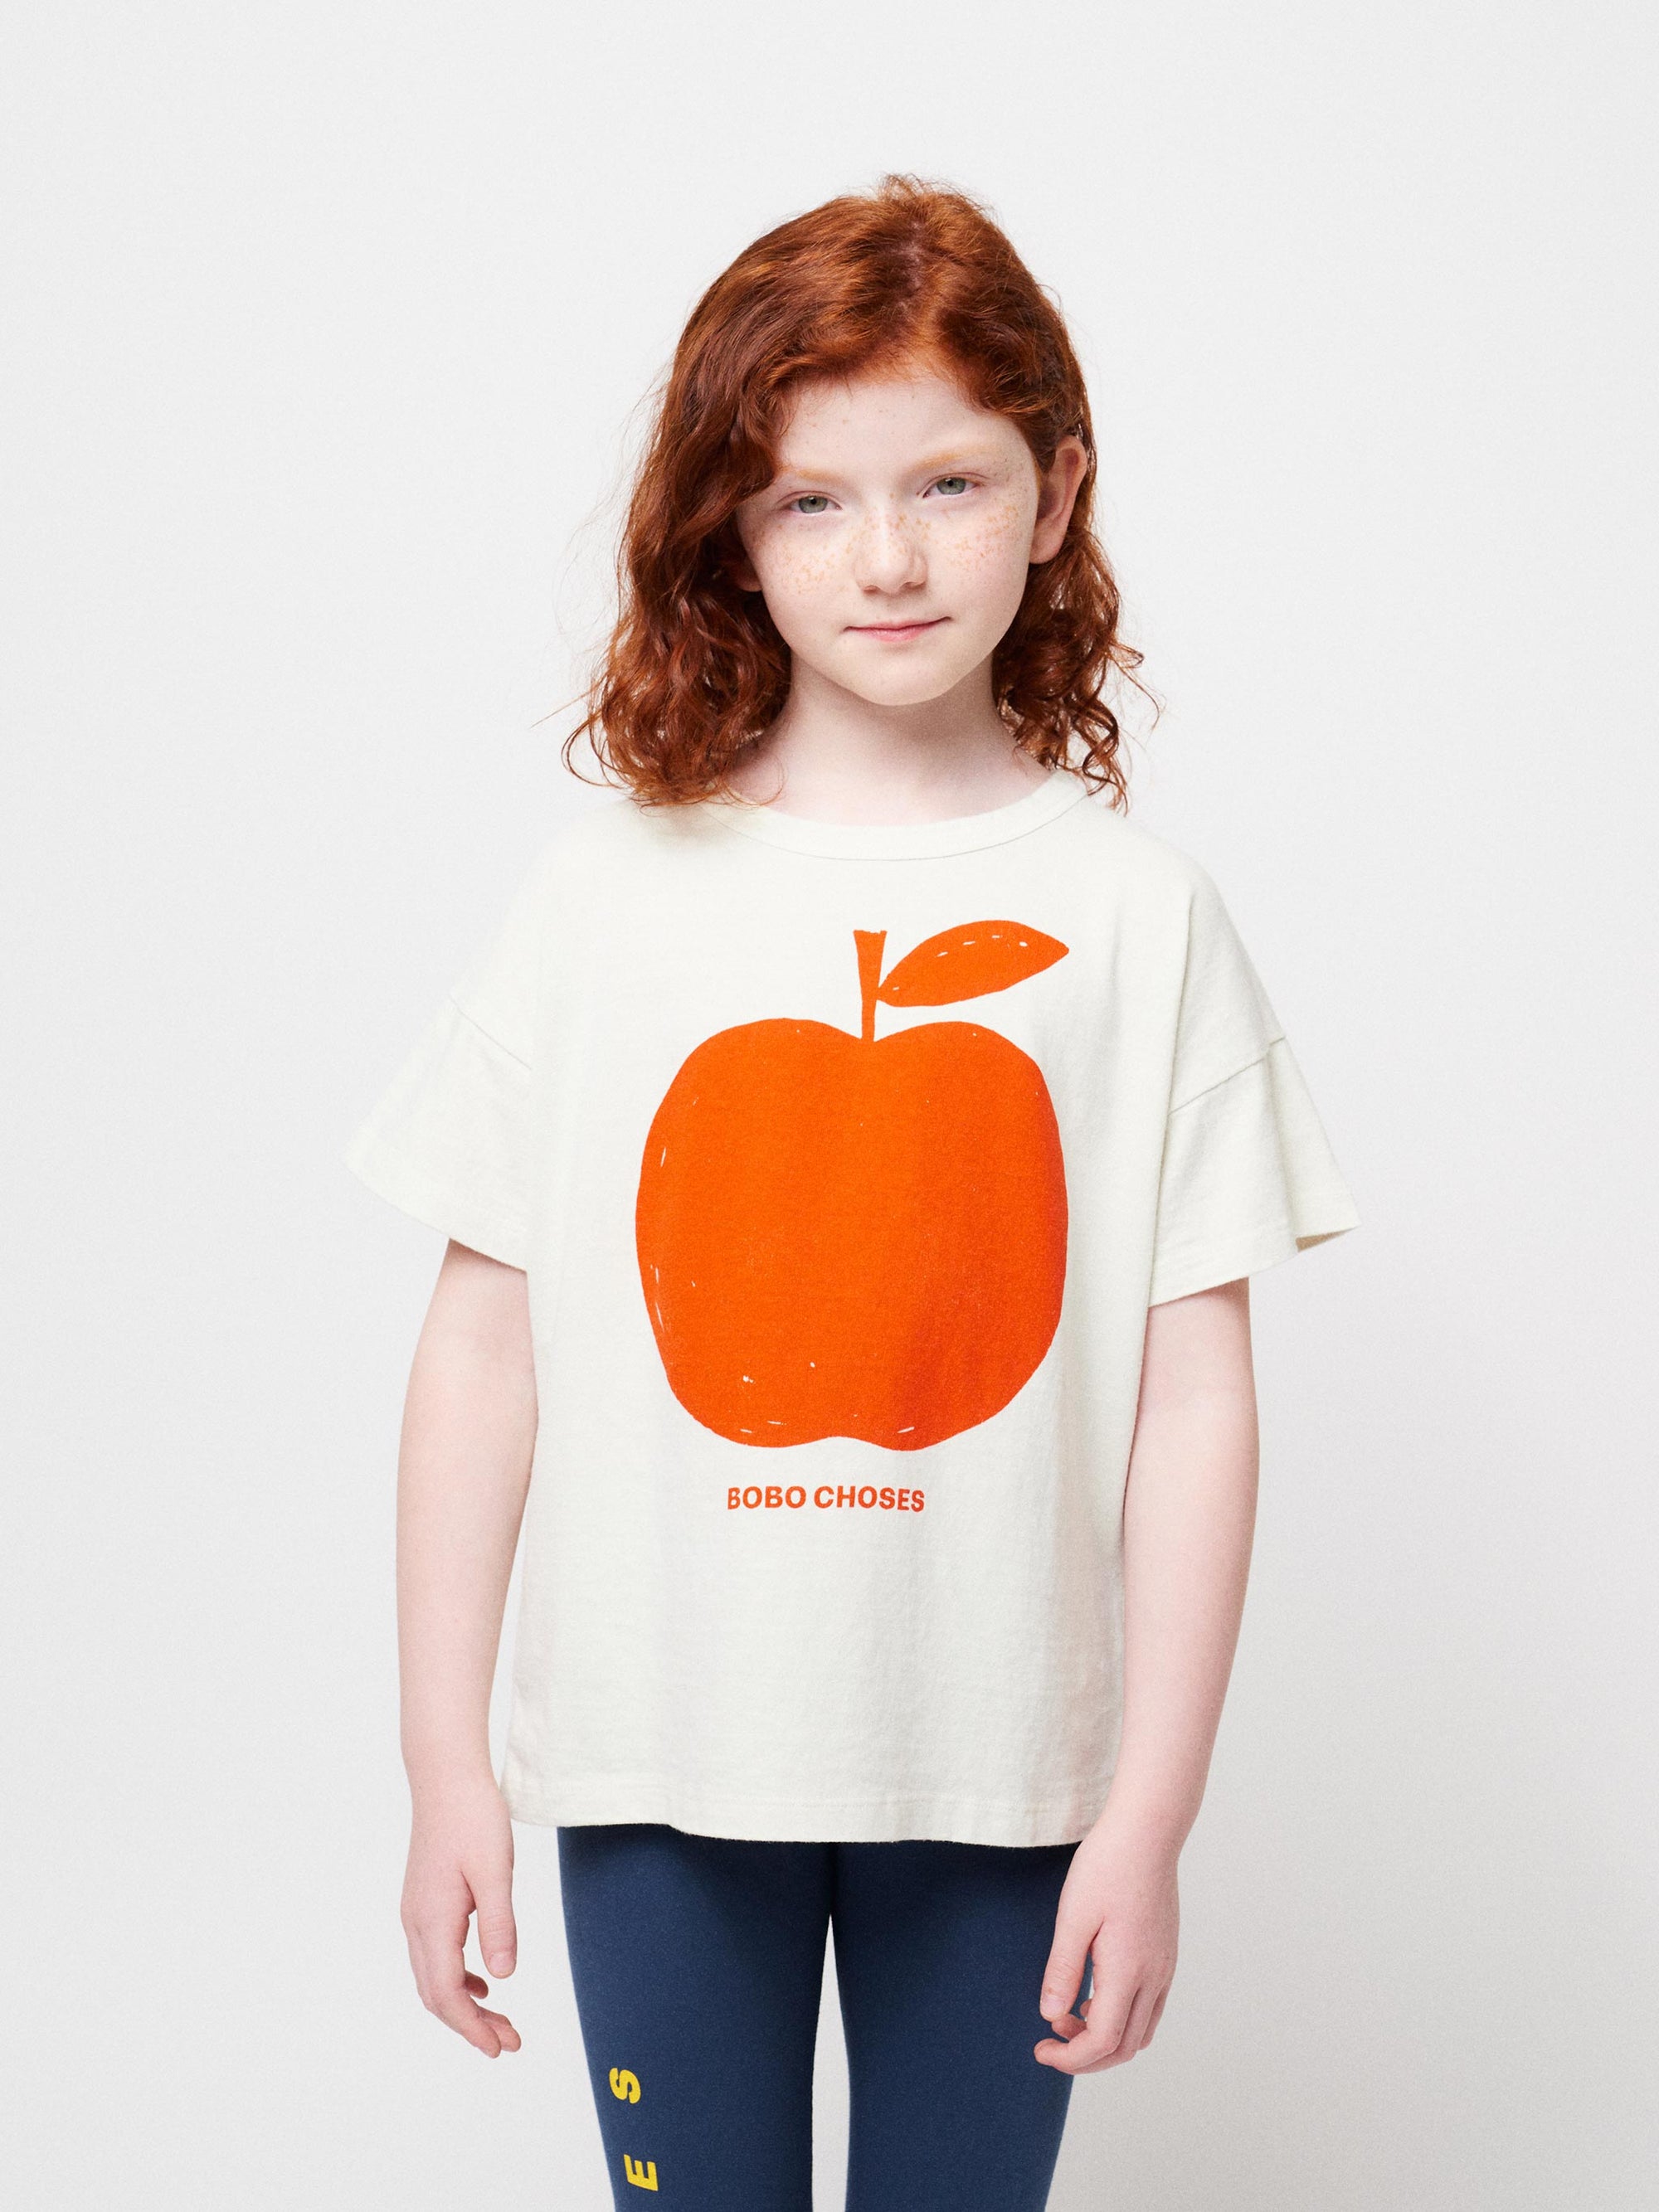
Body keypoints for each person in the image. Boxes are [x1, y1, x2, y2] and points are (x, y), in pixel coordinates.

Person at [346, 175, 1360, 2212]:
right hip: (655, 1752)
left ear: (1054, 496)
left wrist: (1149, 1812)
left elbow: (1194, 1399)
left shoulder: (1136, 917)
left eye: (947, 483)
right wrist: (446, 1760)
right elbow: (481, 1350)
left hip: (1000, 1771)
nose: (886, 557)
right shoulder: (606, 897)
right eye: (811, 498)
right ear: (731, 527)